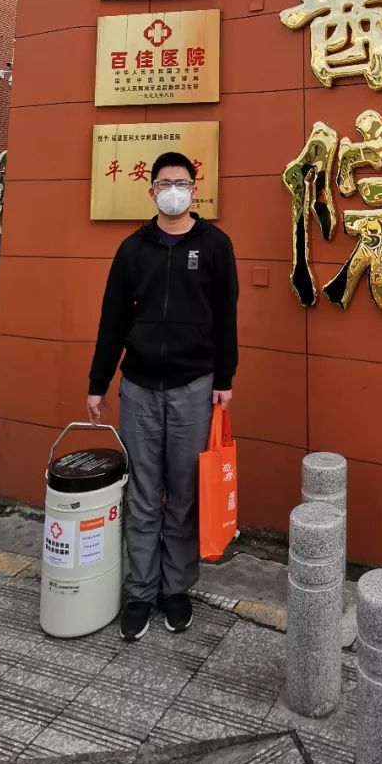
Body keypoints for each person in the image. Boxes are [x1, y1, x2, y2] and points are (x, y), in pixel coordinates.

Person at [87, 151, 238, 642]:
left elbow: (227, 317)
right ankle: (141, 591)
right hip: (139, 387)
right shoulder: (133, 249)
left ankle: (175, 588)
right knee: (143, 492)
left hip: (195, 386)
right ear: (151, 191)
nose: (174, 191)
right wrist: (98, 383)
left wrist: (224, 378)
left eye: (182, 183)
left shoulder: (215, 246)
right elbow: (112, 319)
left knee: (184, 493)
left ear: (195, 189)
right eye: (165, 183)